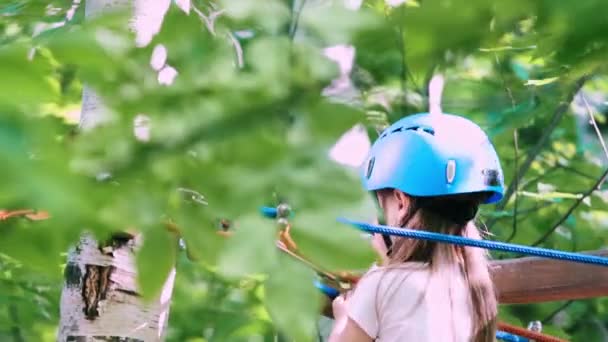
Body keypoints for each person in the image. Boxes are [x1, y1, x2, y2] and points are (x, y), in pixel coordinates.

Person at [328, 112, 505, 342]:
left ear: (401, 202)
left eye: (384, 205)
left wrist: (344, 318)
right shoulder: (476, 289)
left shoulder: (382, 285)